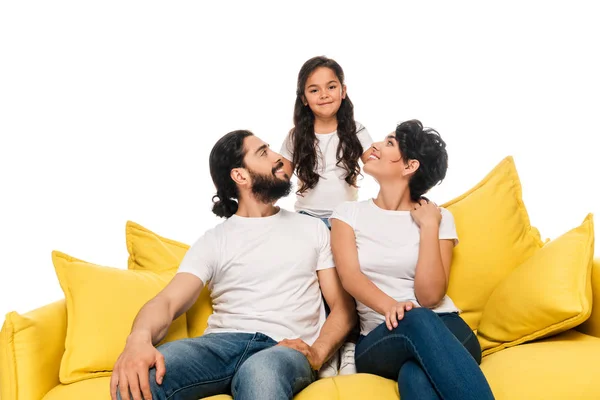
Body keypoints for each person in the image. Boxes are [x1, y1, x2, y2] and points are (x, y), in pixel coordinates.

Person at [110, 130, 356, 400]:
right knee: (140, 378)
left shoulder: (313, 229)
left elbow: (343, 308)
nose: (278, 158)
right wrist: (138, 339)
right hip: (221, 344)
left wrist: (318, 353)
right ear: (240, 176)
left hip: (282, 349)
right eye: (263, 153)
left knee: (260, 373)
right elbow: (167, 301)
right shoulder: (214, 240)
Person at [330, 120, 495, 399]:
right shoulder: (347, 214)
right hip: (381, 338)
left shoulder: (437, 217)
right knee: (416, 319)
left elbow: (429, 296)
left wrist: (429, 227)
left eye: (390, 143)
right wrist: (394, 307)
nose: (376, 146)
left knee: (414, 375)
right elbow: (350, 278)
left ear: (409, 166)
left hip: (448, 329)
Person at [279, 55, 372, 377]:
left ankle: (348, 348)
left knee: (347, 287)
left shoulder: (356, 131)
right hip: (306, 221)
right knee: (317, 290)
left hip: (344, 222)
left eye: (331, 86)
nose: (324, 95)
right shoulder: (295, 137)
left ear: (343, 90)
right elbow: (280, 175)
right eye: (314, 90)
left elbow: (377, 163)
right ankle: (323, 351)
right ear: (304, 99)